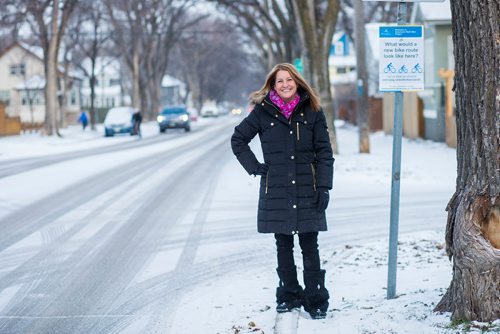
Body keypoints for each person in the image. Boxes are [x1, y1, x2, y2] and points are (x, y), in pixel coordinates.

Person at [231, 63, 334, 319]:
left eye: (289, 80)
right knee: (283, 244)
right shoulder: (263, 112)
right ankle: (288, 294)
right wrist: (255, 167)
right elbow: (238, 139)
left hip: (307, 188)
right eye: (279, 81)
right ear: (272, 85)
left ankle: (316, 297)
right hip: (276, 188)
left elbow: (324, 153)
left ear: (297, 82)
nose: (285, 84)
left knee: (310, 245)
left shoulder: (312, 111)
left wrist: (323, 186)